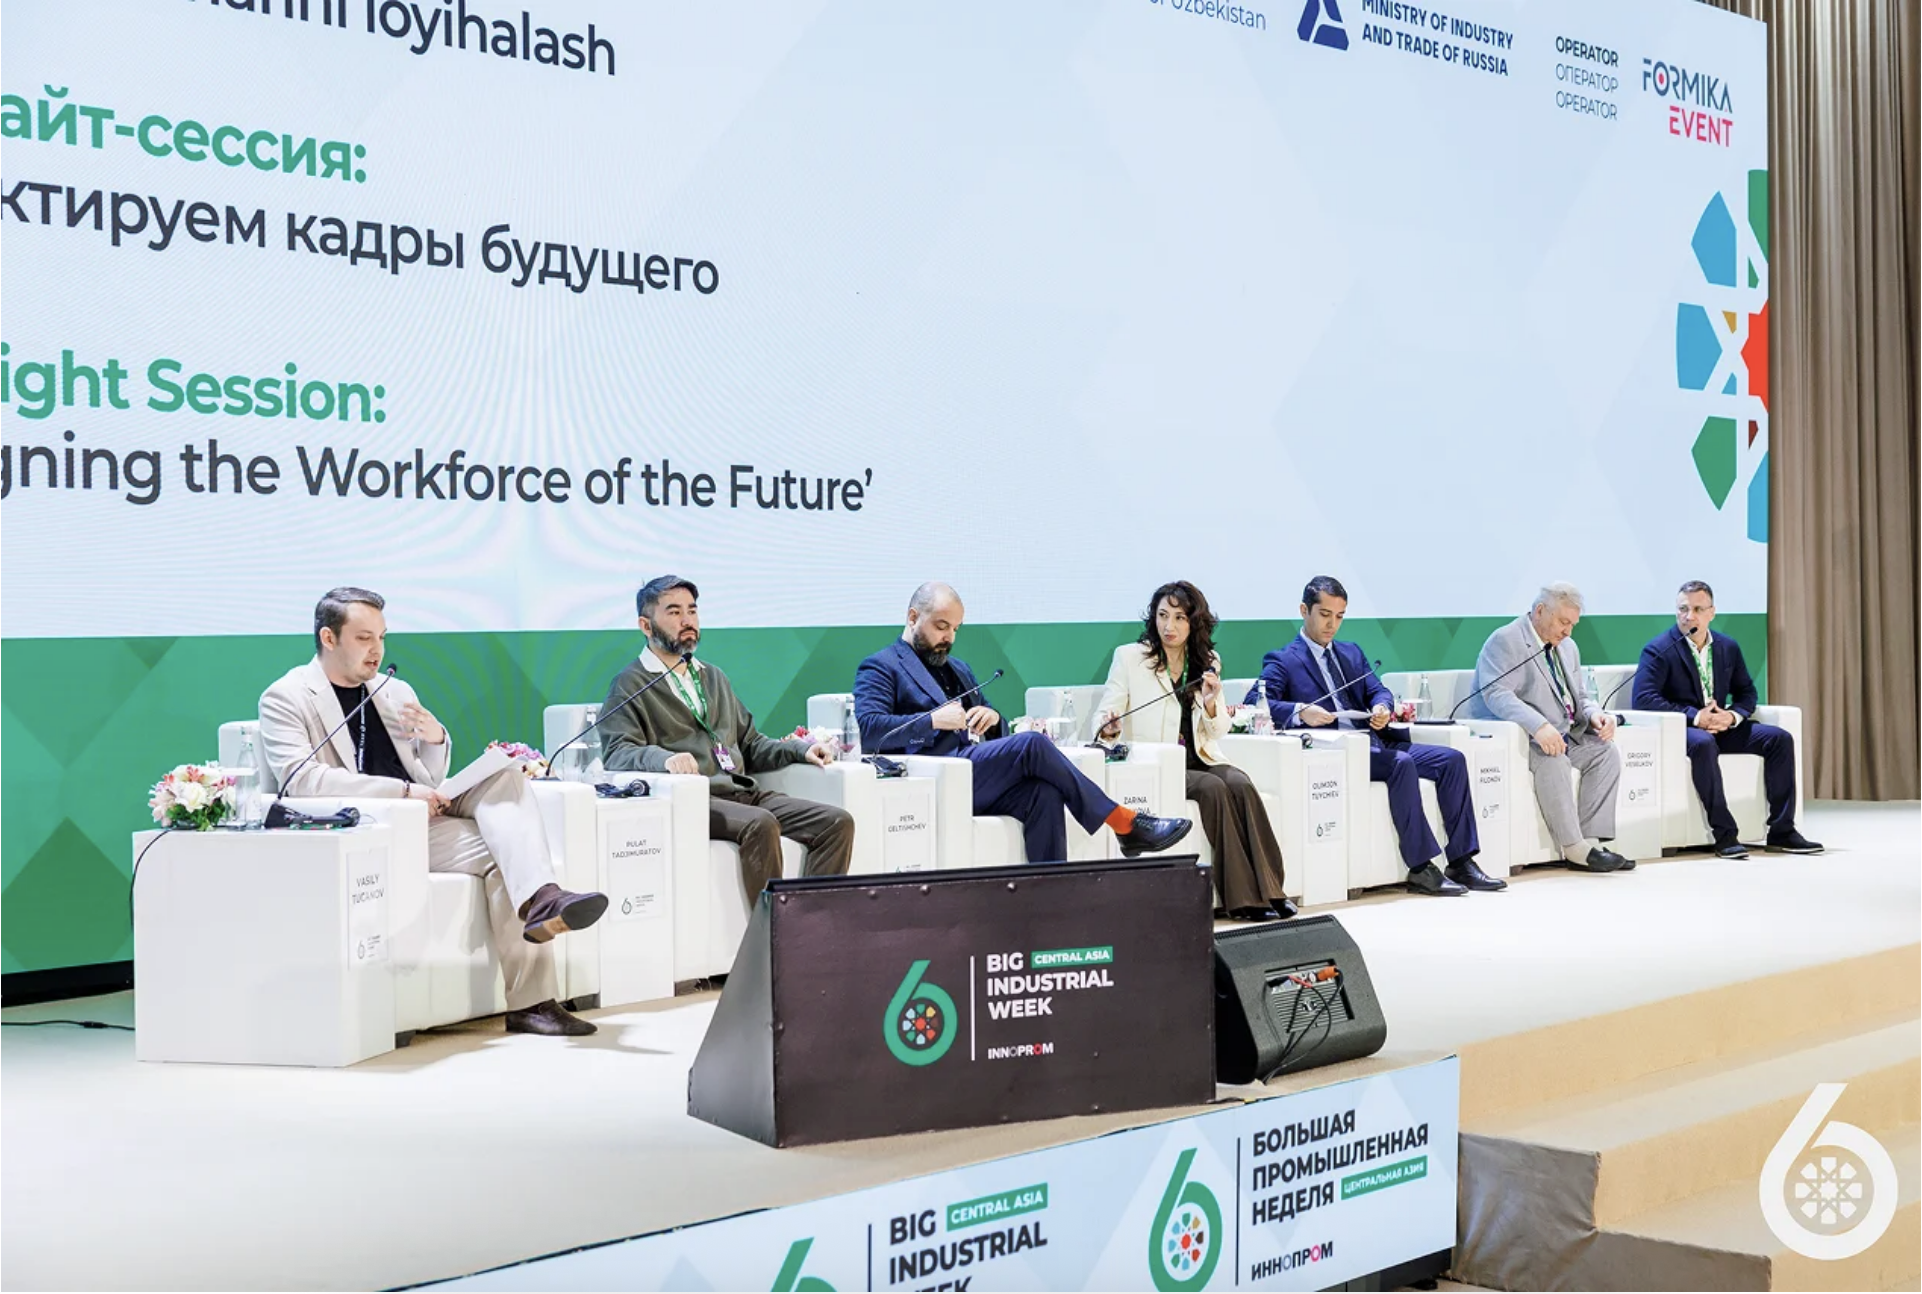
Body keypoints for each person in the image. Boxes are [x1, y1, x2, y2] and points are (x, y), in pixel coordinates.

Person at [259, 587, 607, 1037]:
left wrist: (436, 738)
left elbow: (430, 772)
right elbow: (302, 780)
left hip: (425, 804)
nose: (377, 650)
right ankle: (533, 999)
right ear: (329, 637)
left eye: (382, 637)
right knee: (505, 855)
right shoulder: (287, 697)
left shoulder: (392, 689)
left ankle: (543, 900)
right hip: (379, 823)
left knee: (506, 778)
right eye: (364, 638)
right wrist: (403, 793)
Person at [853, 582, 1193, 863]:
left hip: (974, 774)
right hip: (934, 776)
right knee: (1031, 743)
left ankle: (1050, 902)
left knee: (1043, 793)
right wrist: (931, 721)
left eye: (955, 629)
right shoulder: (882, 666)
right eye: (941, 627)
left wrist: (992, 720)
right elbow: (870, 730)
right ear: (913, 617)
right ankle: (1123, 822)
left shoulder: (958, 668)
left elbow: (996, 729)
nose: (949, 638)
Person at [598, 576, 854, 900]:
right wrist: (664, 759)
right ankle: (772, 928)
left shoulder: (713, 676)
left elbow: (751, 743)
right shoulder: (630, 683)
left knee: (836, 823)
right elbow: (618, 752)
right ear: (645, 626)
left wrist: (799, 750)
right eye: (674, 612)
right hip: (696, 800)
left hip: (743, 793)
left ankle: (810, 922)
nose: (687, 620)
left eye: (692, 611)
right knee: (761, 824)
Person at [1249, 576, 1500, 896]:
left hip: (1375, 739)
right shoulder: (1284, 659)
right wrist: (1301, 711)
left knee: (1451, 760)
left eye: (1339, 616)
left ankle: (1462, 861)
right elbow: (1255, 703)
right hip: (1337, 750)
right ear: (1304, 610)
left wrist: (1382, 707)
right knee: (1400, 764)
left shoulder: (1351, 653)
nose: (1332, 625)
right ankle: (1421, 867)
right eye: (1324, 615)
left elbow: (1378, 690)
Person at [1097, 581, 1295, 920]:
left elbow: (1218, 731)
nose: (1169, 626)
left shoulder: (1207, 661)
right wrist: (1109, 726)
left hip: (1202, 756)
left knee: (1241, 783)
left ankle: (1273, 890)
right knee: (1213, 788)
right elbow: (1105, 713)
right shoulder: (1130, 658)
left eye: (1179, 618)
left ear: (1194, 622)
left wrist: (1211, 703)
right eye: (1162, 615)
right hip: (1162, 762)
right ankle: (1243, 899)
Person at [1632, 580, 1821, 857]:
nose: (1689, 616)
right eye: (1683, 609)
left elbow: (1747, 692)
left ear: (1712, 612)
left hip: (1722, 725)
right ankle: (1724, 835)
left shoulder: (1727, 647)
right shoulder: (1659, 649)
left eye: (1698, 609)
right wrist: (1696, 717)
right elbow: (1644, 699)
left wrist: (1731, 716)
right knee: (1703, 743)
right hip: (1684, 729)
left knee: (1779, 739)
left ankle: (1782, 831)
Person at [1470, 582, 1633, 873]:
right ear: (1540, 611)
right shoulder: (1506, 640)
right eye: (1563, 622)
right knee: (1554, 758)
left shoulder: (1568, 647)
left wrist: (1595, 714)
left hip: (1565, 732)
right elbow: (1496, 693)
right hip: (1524, 737)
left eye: (1573, 625)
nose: (1568, 631)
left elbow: (1580, 695)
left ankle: (1591, 842)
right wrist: (1539, 725)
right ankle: (1573, 848)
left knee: (1605, 753)